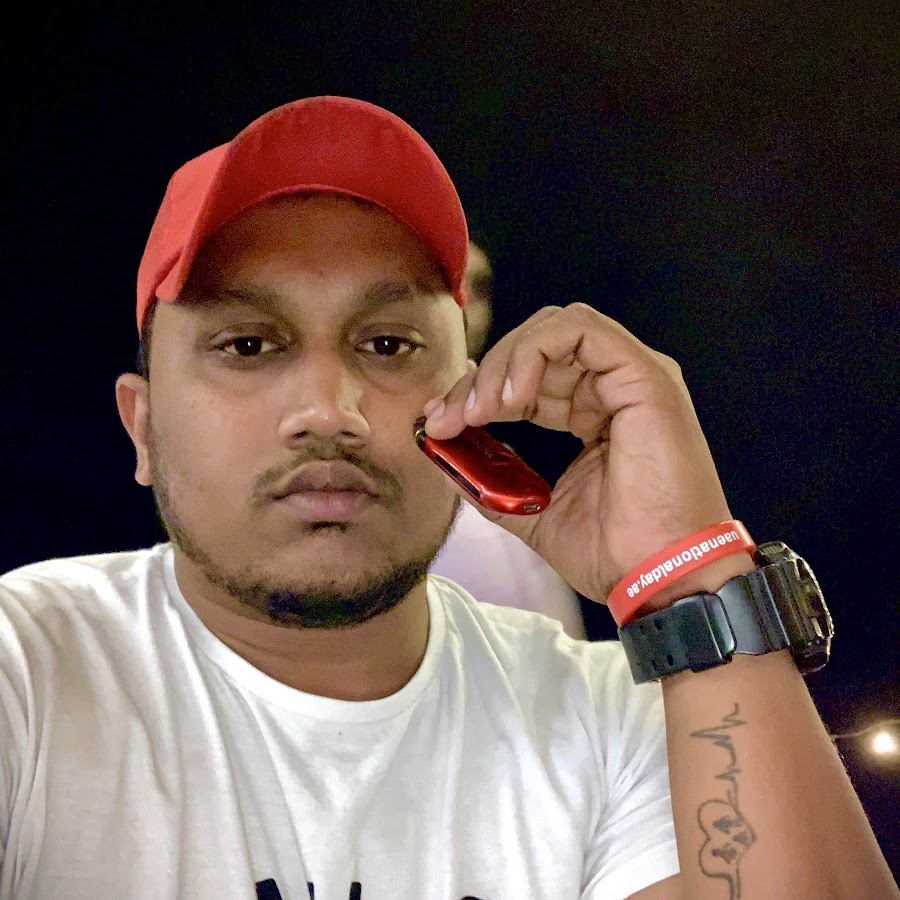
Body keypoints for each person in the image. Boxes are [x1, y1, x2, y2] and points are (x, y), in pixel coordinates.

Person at [0, 97, 895, 900]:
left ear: (469, 403)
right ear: (143, 427)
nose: (330, 410)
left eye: (388, 345)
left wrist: (688, 575)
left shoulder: (611, 720)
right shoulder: (30, 671)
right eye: (248, 345)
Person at [430, 241, 586, 638]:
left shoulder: (505, 469)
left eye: (479, 288)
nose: (466, 304)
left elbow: (567, 646)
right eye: (447, 283)